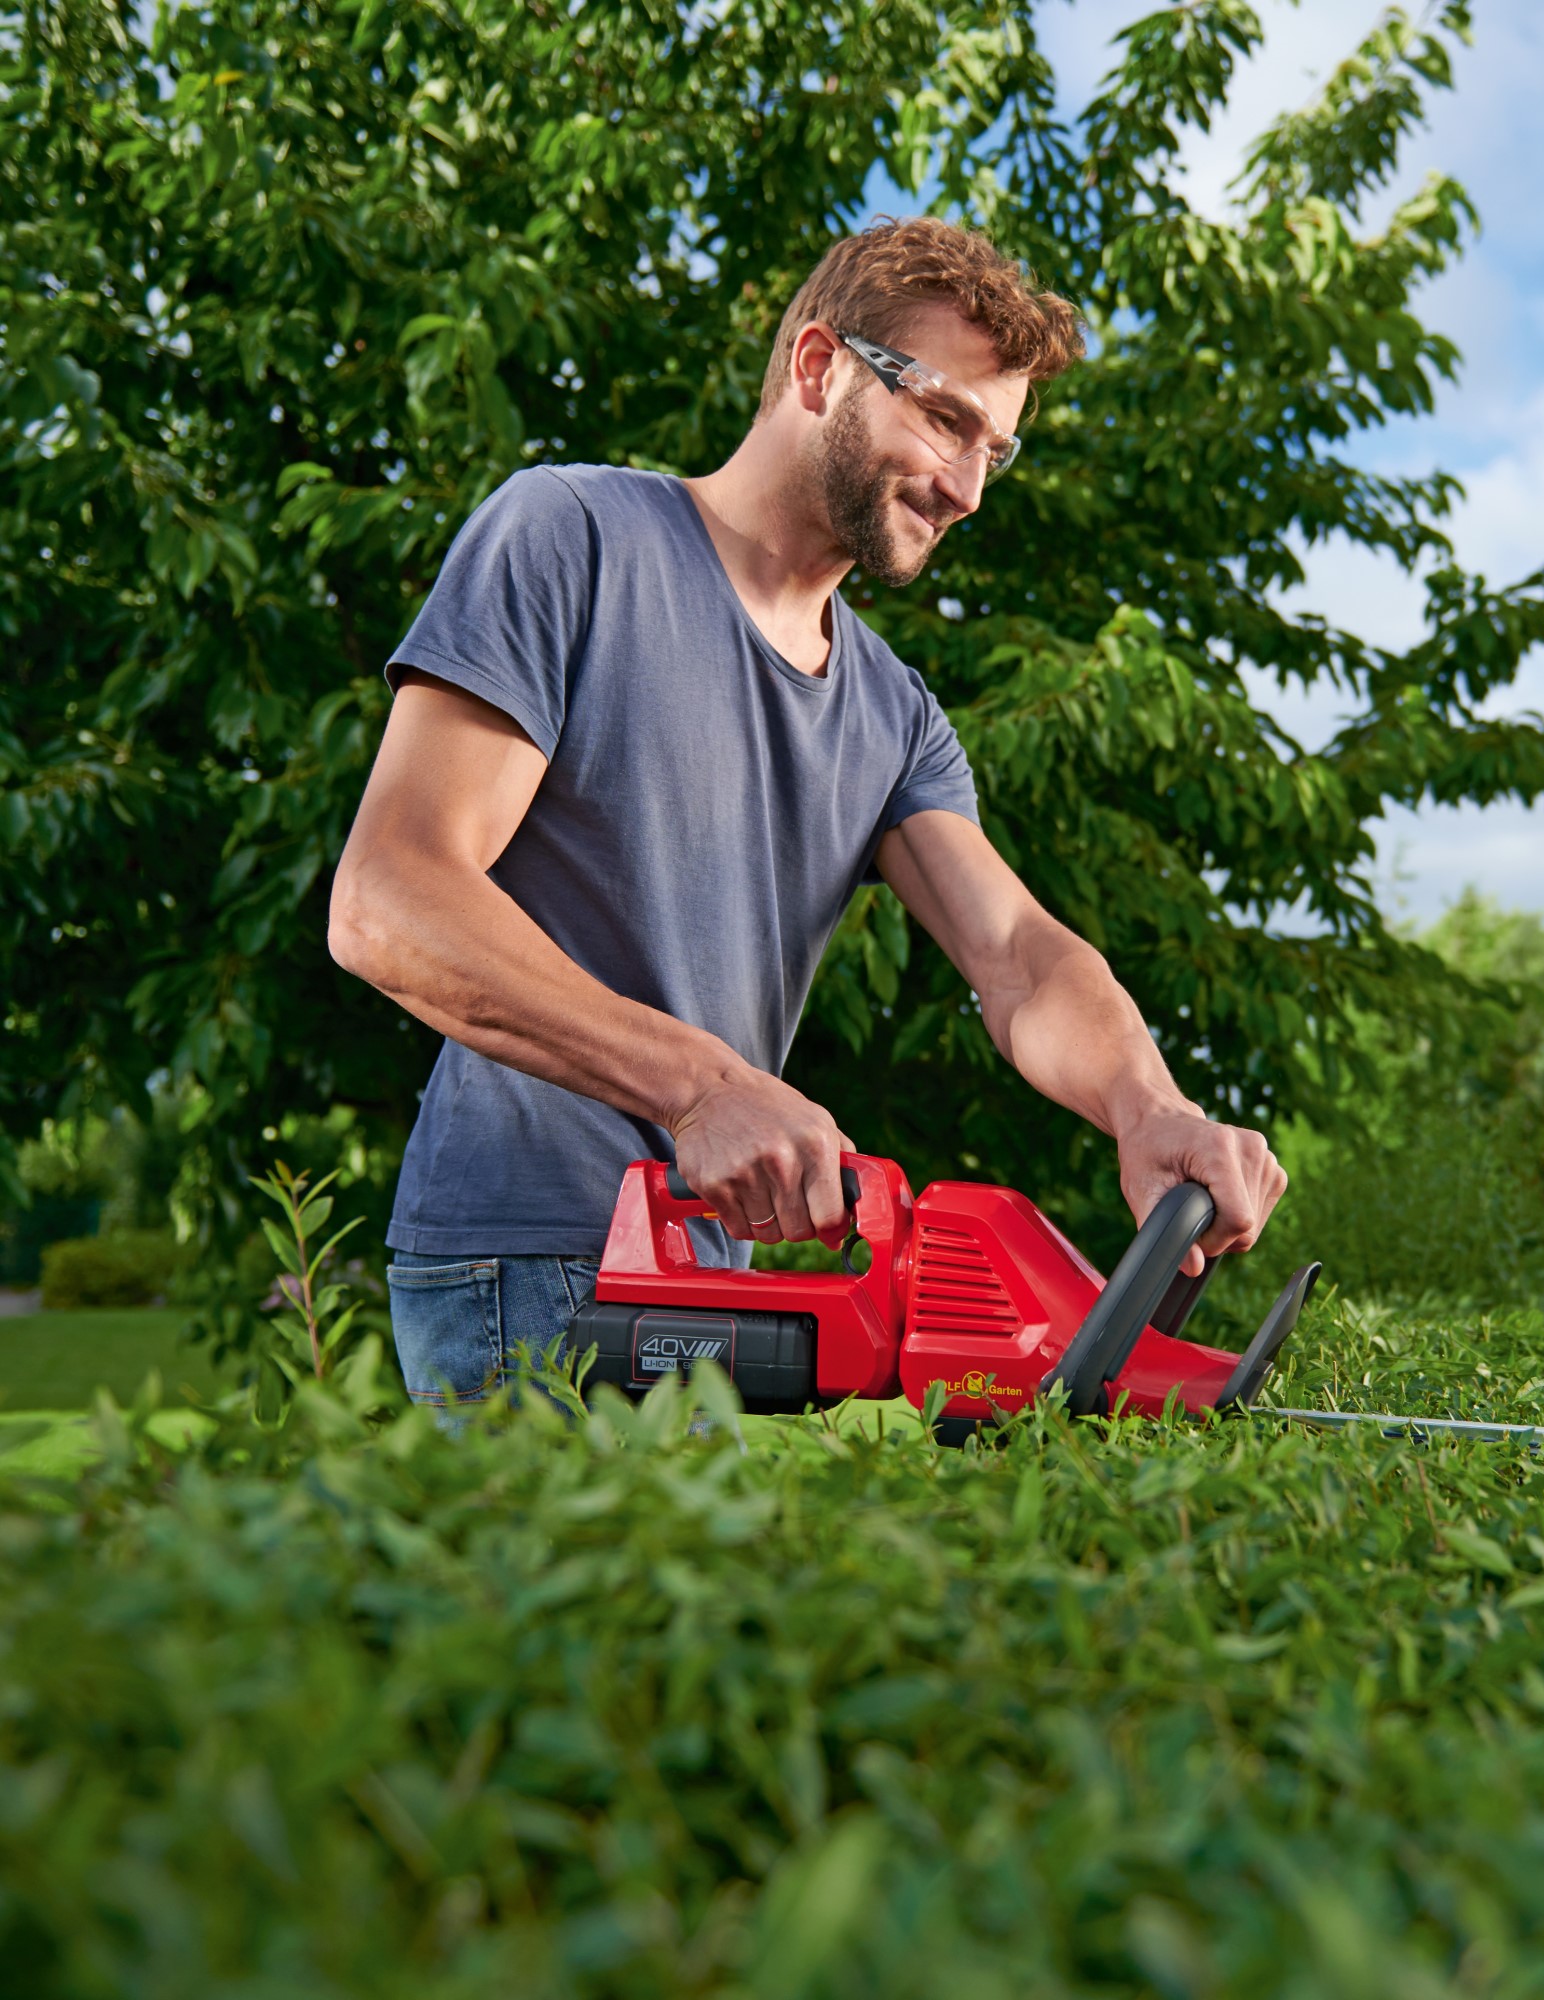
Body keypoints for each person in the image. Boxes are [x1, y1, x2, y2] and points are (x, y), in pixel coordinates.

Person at [329, 217, 1287, 1409]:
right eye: (945, 419)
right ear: (820, 365)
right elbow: (389, 897)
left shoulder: (891, 711)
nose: (966, 487)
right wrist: (699, 1084)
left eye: (994, 449)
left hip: (698, 1268)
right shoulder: (572, 537)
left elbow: (1017, 956)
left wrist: (1149, 1108)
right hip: (526, 1253)